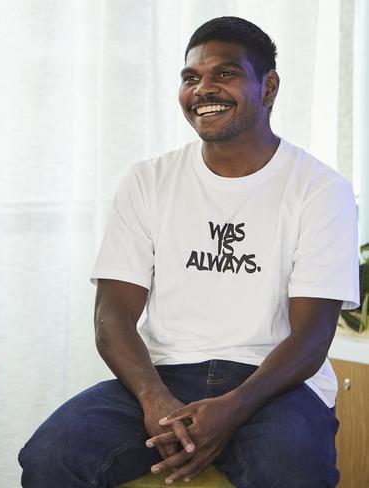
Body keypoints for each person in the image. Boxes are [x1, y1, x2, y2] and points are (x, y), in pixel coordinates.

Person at [19, 16, 358, 487]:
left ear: (270, 87)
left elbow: (311, 339)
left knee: (291, 469)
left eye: (226, 73)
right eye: (191, 77)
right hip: (167, 374)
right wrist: (153, 399)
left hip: (276, 384)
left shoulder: (321, 190)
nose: (204, 89)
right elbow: (111, 317)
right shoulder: (148, 181)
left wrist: (233, 408)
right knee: (51, 457)